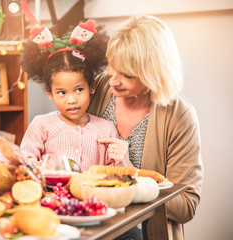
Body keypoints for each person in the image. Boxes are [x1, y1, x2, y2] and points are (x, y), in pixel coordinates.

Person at [87, 15, 203, 239]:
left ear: (154, 74)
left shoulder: (180, 116)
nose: (113, 81)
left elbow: (186, 205)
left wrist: (131, 174)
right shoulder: (98, 88)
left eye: (127, 75)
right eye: (112, 66)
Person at [19, 20, 120, 171]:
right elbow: (25, 162)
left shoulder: (107, 130)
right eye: (62, 93)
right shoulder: (41, 125)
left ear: (92, 86)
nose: (72, 100)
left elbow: (113, 172)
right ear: (50, 92)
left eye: (79, 90)